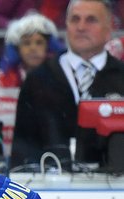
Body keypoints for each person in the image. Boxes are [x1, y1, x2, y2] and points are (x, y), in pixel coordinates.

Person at [10, 0, 124, 169]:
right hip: (50, 187)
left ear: (109, 30)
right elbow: (23, 146)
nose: (81, 27)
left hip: (116, 188)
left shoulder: (121, 77)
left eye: (91, 20)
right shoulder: (38, 78)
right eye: (75, 19)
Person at [0, 12, 61, 88]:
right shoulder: (3, 77)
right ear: (17, 48)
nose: (33, 48)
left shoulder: (60, 75)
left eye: (39, 43)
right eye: (26, 43)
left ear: (48, 47)